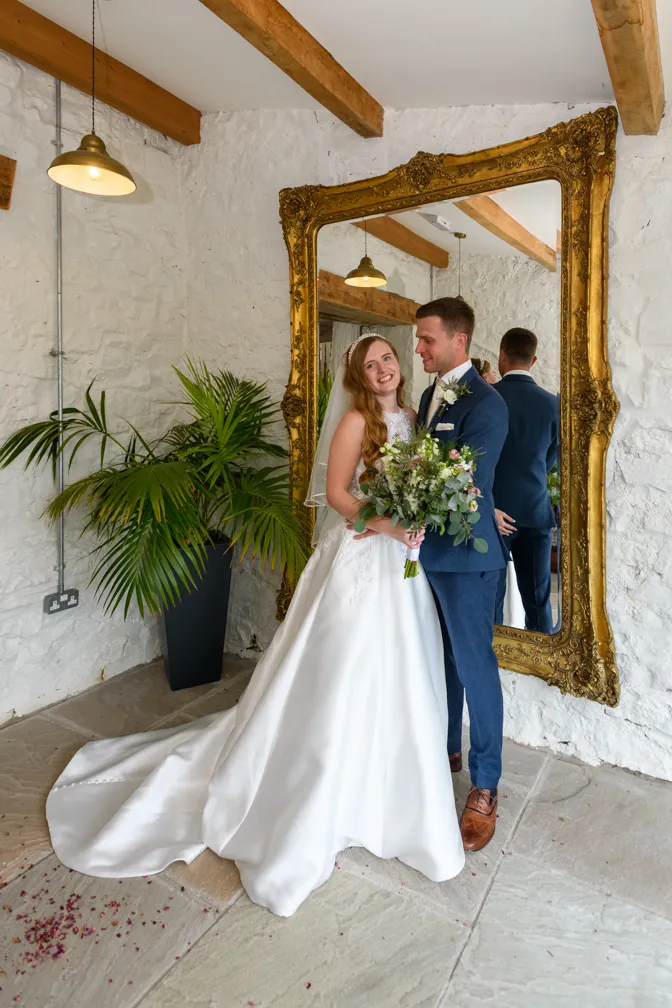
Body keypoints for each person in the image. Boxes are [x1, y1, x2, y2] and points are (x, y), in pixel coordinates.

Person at [45, 334, 465, 918]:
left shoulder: (416, 419)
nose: (382, 370)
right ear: (358, 377)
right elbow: (337, 495)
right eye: (370, 365)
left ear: (399, 363)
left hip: (401, 565)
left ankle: (392, 791)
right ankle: (318, 789)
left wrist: (416, 516)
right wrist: (389, 525)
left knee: (402, 670)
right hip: (363, 558)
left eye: (387, 359)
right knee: (343, 667)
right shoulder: (353, 423)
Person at [415, 297, 509, 852]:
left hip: (468, 560)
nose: (418, 349)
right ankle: (447, 748)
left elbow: (462, 479)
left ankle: (486, 785)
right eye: (418, 339)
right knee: (438, 659)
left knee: (476, 669)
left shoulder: (489, 404)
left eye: (427, 339)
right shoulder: (429, 395)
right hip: (423, 555)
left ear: (459, 340)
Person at [492, 328, 559, 634]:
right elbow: (550, 461)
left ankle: (495, 653)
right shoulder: (552, 404)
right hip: (535, 509)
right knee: (538, 597)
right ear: (534, 360)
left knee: (491, 597)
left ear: (502, 354)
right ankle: (542, 655)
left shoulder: (488, 399)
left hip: (492, 512)